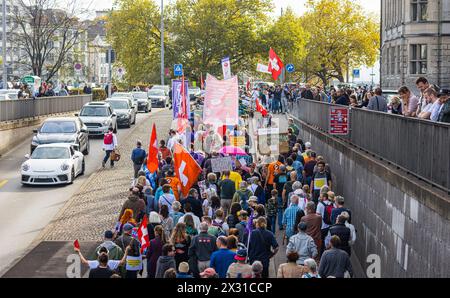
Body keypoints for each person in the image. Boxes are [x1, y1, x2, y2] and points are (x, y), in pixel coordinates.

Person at [274, 165, 289, 231]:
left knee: (280, 210)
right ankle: (287, 223)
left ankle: (280, 225)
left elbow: (274, 184)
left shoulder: (277, 176)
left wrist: (275, 191)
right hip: (286, 194)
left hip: (279, 194)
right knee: (287, 209)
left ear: (279, 169)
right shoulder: (287, 176)